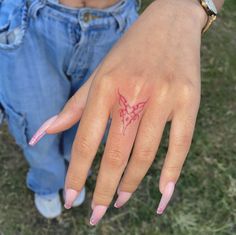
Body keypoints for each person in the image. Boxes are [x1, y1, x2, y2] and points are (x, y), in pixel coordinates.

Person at [0, 0, 224, 225]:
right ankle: (46, 182)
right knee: (37, 131)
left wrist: (185, 8)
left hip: (118, 28)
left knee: (91, 128)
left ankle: (73, 172)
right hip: (26, 23)